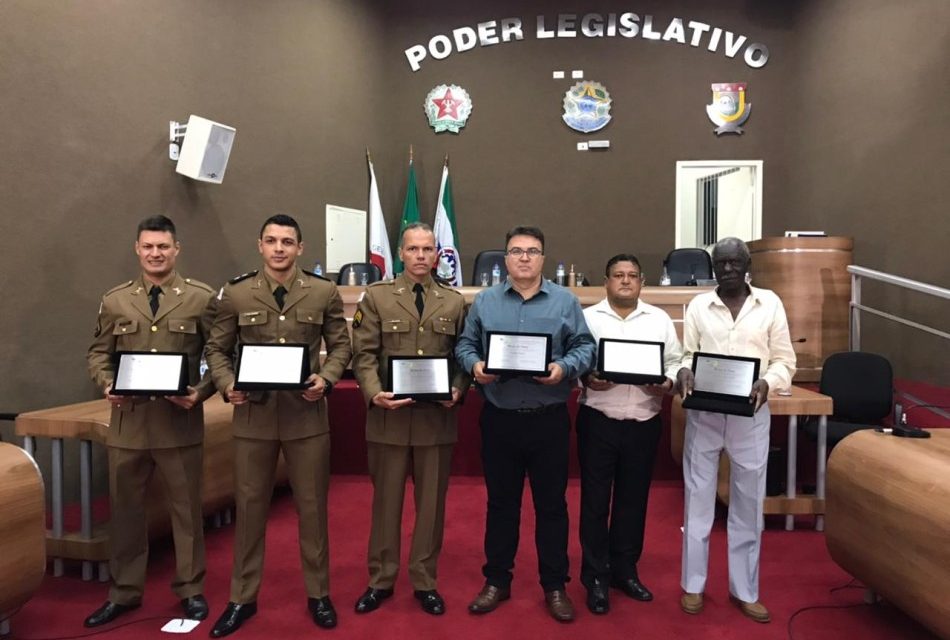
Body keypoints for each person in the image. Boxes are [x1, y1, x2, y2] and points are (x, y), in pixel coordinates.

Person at [204, 214, 352, 636]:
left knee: (312, 509)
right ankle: (241, 598)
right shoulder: (236, 293)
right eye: (272, 241)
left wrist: (325, 379)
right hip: (254, 415)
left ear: (300, 248)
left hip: (306, 415)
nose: (280, 248)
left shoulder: (323, 291)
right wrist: (227, 384)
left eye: (288, 241)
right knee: (249, 510)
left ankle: (319, 594)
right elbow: (218, 349)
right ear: (260, 245)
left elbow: (340, 346)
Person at [455, 225, 596, 623]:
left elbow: (586, 347)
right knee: (501, 505)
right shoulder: (485, 302)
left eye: (532, 251)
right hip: (499, 419)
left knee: (552, 506)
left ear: (543, 258)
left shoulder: (566, 302)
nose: (524, 258)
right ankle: (497, 581)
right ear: (505, 259)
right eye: (516, 251)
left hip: (548, 420)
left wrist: (562, 368)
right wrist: (475, 365)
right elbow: (465, 345)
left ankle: (554, 586)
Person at [85, 215, 215, 627]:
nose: (156, 254)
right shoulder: (116, 300)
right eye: (148, 247)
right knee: (125, 512)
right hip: (129, 424)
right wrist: (107, 384)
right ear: (137, 249)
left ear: (177, 249)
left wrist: (201, 392)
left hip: (179, 425)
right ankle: (124, 591)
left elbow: (221, 356)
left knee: (187, 513)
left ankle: (191, 589)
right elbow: (98, 353)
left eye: (163, 247)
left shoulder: (201, 299)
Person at [350, 222, 470, 616]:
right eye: (413, 249)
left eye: (427, 249)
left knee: (431, 507)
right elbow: (363, 354)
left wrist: (458, 388)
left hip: (436, 422)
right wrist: (373, 392)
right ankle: (381, 579)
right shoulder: (378, 298)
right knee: (386, 504)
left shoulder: (453, 302)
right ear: (400, 254)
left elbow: (462, 357)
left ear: (438, 254)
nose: (421, 256)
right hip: (389, 420)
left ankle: (424, 579)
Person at [676, 237, 796, 624]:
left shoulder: (770, 303)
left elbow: (784, 359)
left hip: (751, 414)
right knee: (698, 498)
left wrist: (770, 381)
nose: (727, 269)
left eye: (734, 262)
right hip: (706, 414)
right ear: (712, 268)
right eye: (721, 263)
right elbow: (684, 354)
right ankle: (693, 585)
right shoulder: (698, 305)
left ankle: (745, 590)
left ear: (748, 266)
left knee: (747, 501)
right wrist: (682, 370)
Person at [577, 254, 683, 615]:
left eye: (632, 275)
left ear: (642, 281)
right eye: (618, 275)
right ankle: (594, 576)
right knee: (594, 502)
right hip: (598, 419)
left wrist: (667, 383)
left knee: (632, 500)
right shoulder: (588, 318)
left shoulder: (659, 320)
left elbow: (675, 361)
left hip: (644, 419)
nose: (625, 281)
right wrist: (588, 378)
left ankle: (625, 570)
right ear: (606, 281)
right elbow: (578, 359)